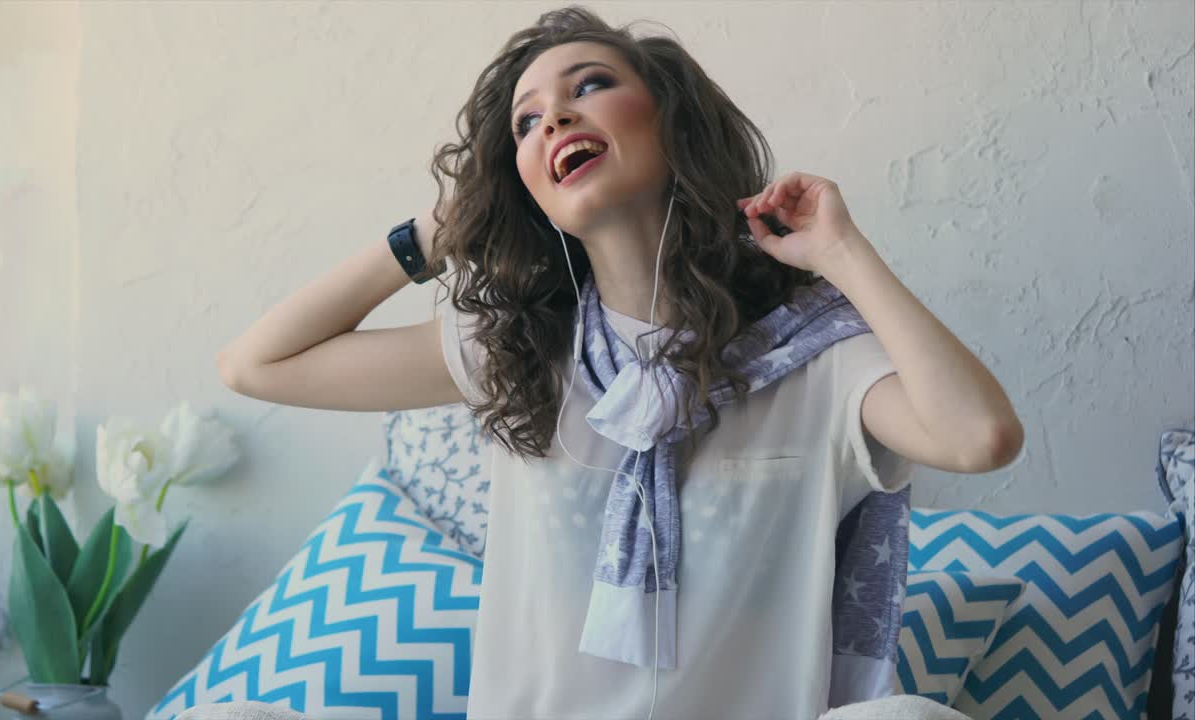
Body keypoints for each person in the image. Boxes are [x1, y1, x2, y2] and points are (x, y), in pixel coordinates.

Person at [216, 6, 1024, 720]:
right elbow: (259, 365)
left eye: (589, 84)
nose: (553, 120)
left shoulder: (809, 352)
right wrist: (432, 233)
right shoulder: (514, 353)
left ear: (674, 122)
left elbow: (980, 437)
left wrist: (842, 254)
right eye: (525, 126)